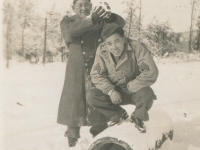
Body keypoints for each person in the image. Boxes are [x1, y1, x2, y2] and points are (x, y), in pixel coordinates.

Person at [57, 0, 126, 147]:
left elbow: (120, 24)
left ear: (91, 5)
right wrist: (92, 19)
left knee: (96, 96)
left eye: (87, 4)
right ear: (73, 7)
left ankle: (100, 133)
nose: (83, 8)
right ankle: (72, 138)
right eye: (80, 5)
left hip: (96, 66)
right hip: (76, 67)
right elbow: (70, 33)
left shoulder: (98, 19)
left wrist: (109, 16)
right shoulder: (68, 21)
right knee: (75, 99)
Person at [87, 23, 159, 133]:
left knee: (147, 94)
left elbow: (151, 72)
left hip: (135, 90)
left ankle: (137, 117)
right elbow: (96, 74)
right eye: (109, 43)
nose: (114, 47)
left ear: (124, 39)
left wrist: (132, 86)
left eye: (117, 41)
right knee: (92, 95)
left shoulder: (136, 47)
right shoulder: (102, 51)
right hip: (115, 93)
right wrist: (111, 91)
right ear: (105, 44)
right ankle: (118, 115)